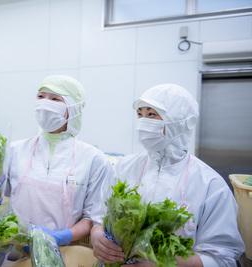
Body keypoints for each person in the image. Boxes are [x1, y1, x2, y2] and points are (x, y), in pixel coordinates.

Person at [91, 84, 245, 267]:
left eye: (152, 115)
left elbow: (223, 258)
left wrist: (163, 263)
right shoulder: (123, 168)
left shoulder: (210, 185)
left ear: (179, 122)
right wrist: (97, 233)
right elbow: (100, 215)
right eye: (140, 114)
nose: (143, 122)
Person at [4, 75, 114, 247]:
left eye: (55, 99)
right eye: (41, 97)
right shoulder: (14, 150)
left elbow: (92, 218)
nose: (45, 104)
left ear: (73, 108)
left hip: (61, 251)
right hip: (13, 249)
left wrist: (62, 236)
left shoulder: (94, 159)